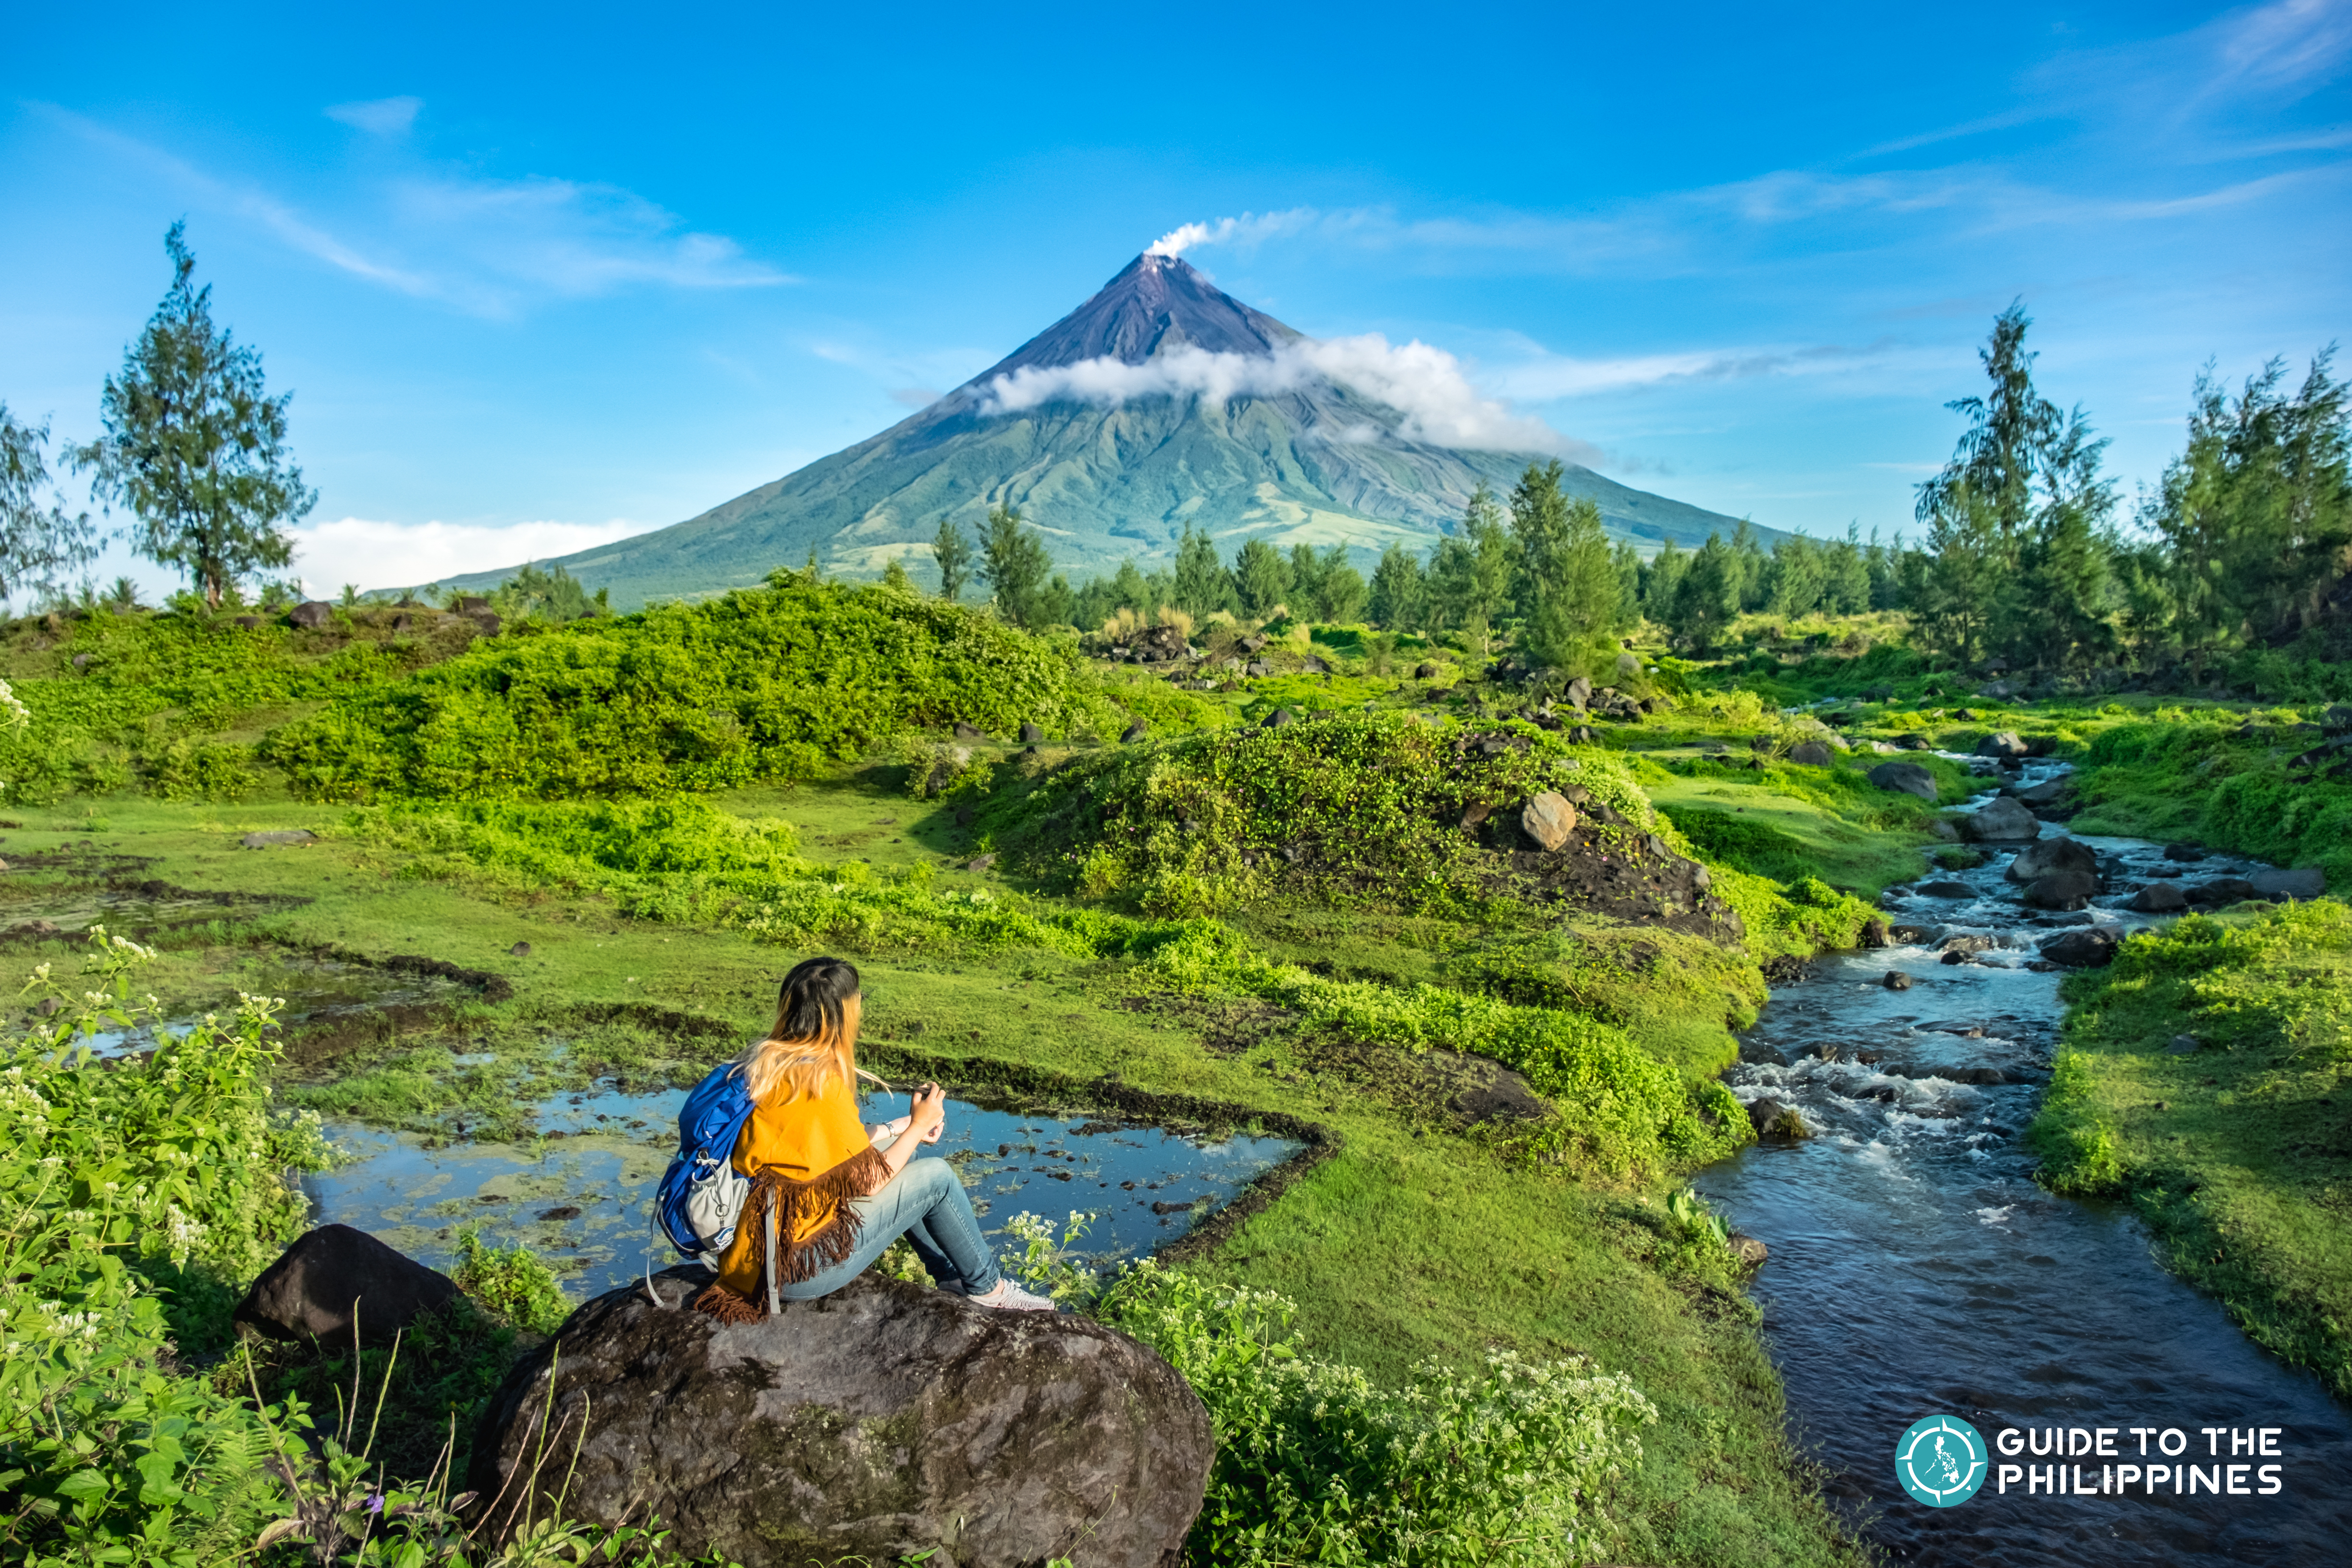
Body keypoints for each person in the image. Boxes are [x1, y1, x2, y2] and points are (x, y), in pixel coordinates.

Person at [693, 955, 1054, 1320]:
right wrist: (919, 1126)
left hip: (751, 1252)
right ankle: (989, 1289)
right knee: (939, 1178)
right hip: (796, 1268)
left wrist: (900, 1128)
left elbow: (823, 1150)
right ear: (845, 1012)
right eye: (859, 999)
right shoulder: (821, 1082)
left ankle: (950, 1277)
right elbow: (869, 1181)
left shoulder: (761, 1065)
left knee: (903, 1156)